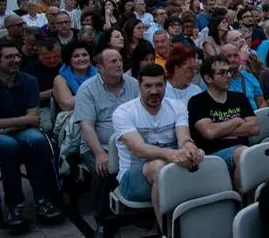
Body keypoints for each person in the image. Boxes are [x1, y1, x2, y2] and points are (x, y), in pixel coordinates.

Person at [0, 41, 63, 227]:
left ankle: (43, 200)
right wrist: (20, 122)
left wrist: (1, 127)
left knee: (38, 140)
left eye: (17, 56)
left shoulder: (29, 81)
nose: (16, 60)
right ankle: (15, 206)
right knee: (8, 145)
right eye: (9, 57)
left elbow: (34, 119)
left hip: (18, 132)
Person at [112, 63, 204, 229]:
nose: (154, 91)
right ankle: (167, 233)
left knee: (201, 156)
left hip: (172, 168)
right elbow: (140, 150)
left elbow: (183, 137)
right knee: (157, 166)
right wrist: (172, 154)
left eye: (159, 85)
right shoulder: (123, 112)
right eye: (148, 86)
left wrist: (189, 147)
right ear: (139, 86)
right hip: (132, 180)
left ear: (166, 85)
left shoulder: (177, 106)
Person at [74, 48, 139, 235]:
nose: (119, 64)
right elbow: (86, 126)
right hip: (98, 146)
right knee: (103, 170)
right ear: (100, 67)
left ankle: (142, 211)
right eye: (112, 61)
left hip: (130, 143)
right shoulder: (87, 89)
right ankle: (103, 220)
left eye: (120, 60)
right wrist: (99, 153)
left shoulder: (133, 84)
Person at [188, 55, 259, 187]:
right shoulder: (197, 102)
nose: (228, 76)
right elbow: (208, 132)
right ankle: (242, 202)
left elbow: (254, 128)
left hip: (241, 152)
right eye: (222, 72)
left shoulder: (239, 98)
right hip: (214, 156)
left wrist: (220, 129)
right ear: (208, 78)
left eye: (229, 71)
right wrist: (236, 121)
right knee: (243, 153)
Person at [22, 38, 62, 131]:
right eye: (47, 58)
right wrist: (50, 93)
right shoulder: (29, 71)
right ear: (39, 56)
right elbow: (25, 97)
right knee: (47, 126)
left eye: (56, 56)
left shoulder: (68, 66)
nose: (52, 60)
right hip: (43, 106)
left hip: (67, 104)